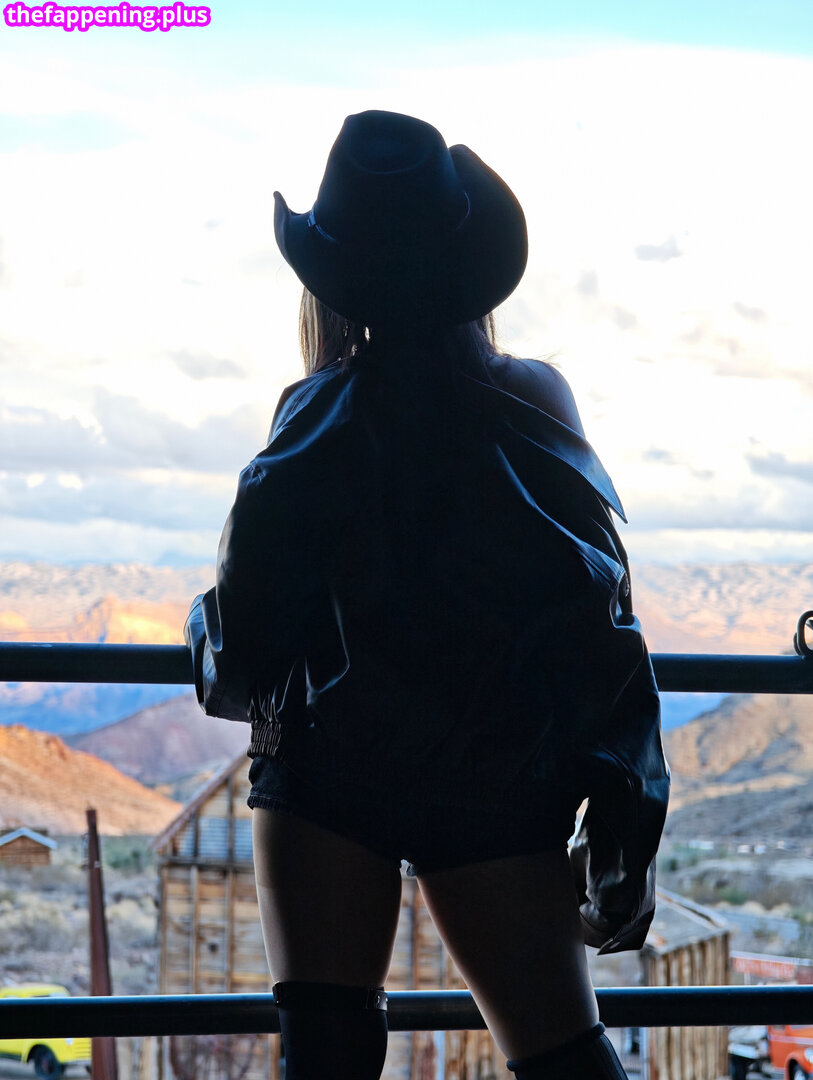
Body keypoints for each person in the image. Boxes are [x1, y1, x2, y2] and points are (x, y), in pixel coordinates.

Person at [185, 110, 669, 1080]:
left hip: (325, 778)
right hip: (500, 775)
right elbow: (599, 609)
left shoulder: (309, 415)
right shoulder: (536, 402)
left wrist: (200, 624)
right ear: (471, 264)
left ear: (333, 282)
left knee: (326, 1054)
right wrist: (626, 806)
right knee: (566, 1057)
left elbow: (238, 658)